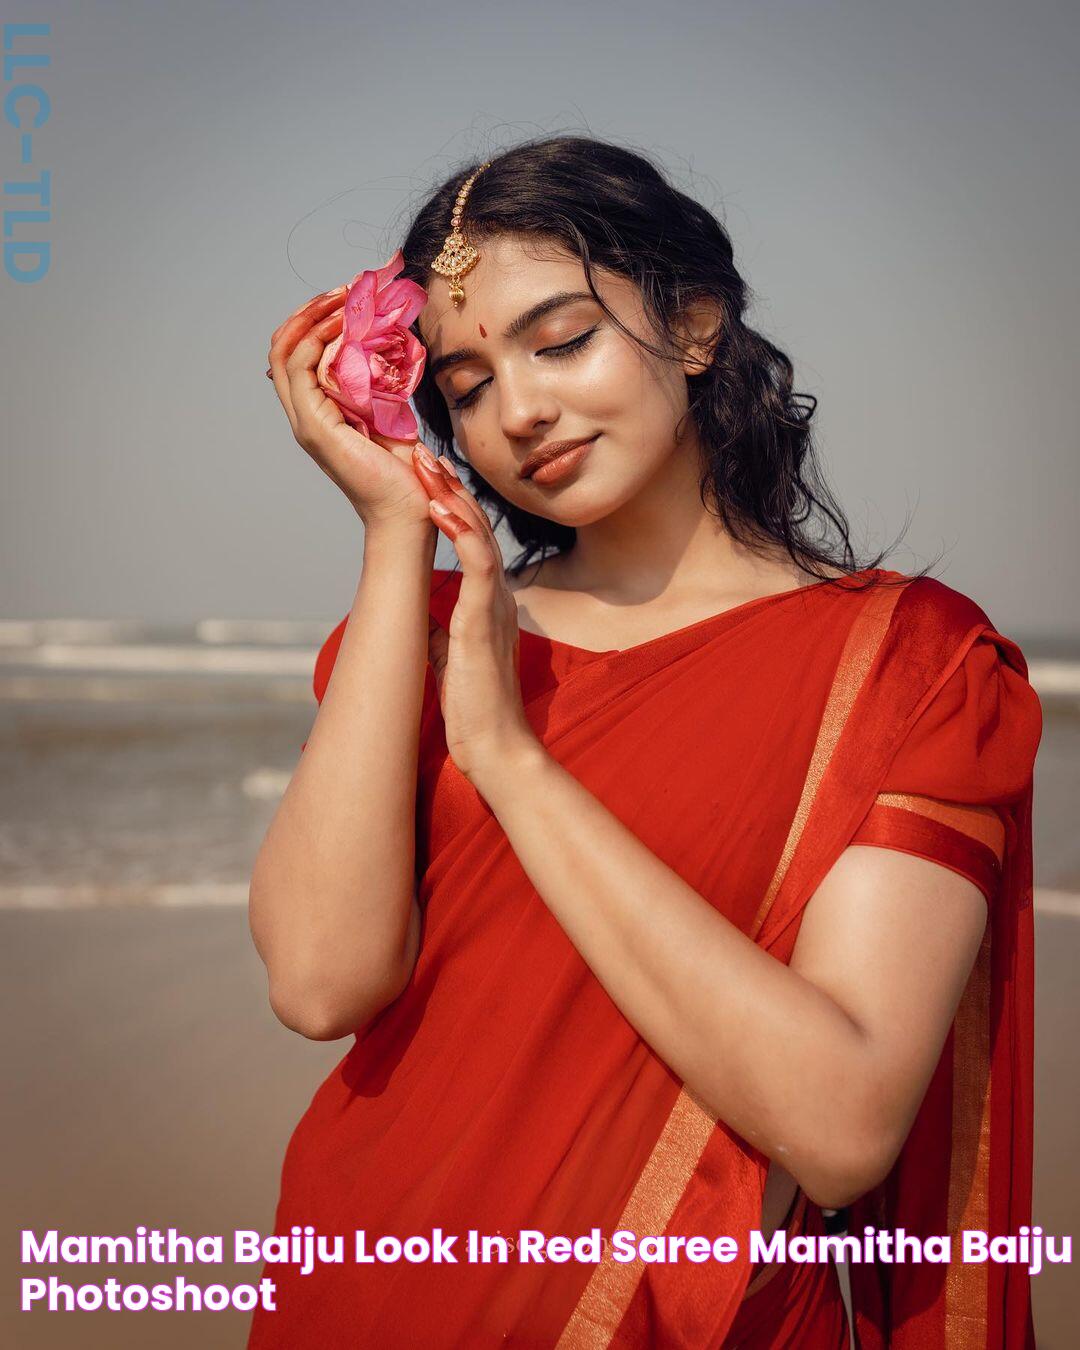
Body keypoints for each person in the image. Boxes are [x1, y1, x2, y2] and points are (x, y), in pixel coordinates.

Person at [249, 136, 1042, 1348]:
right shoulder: (430, 628)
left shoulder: (910, 666)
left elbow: (840, 1128)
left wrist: (512, 763)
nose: (517, 410)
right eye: (462, 386)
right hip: (361, 1285)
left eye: (561, 340)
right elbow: (319, 982)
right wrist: (392, 534)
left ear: (696, 324)